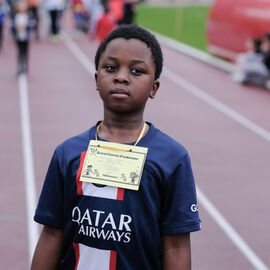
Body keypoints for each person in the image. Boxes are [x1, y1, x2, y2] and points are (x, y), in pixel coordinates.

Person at [31, 24, 201, 270]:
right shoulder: (67, 153)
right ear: (97, 79)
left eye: (136, 70)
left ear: (154, 87)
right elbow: (51, 233)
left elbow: (176, 246)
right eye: (111, 68)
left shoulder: (172, 158)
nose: (121, 77)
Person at [14, 0, 30, 74]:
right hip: (18, 37)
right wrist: (17, 28)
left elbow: (32, 25)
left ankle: (25, 67)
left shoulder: (28, 16)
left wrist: (25, 26)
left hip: (26, 37)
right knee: (19, 52)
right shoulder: (16, 16)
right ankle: (20, 67)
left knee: (25, 52)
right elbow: (12, 26)